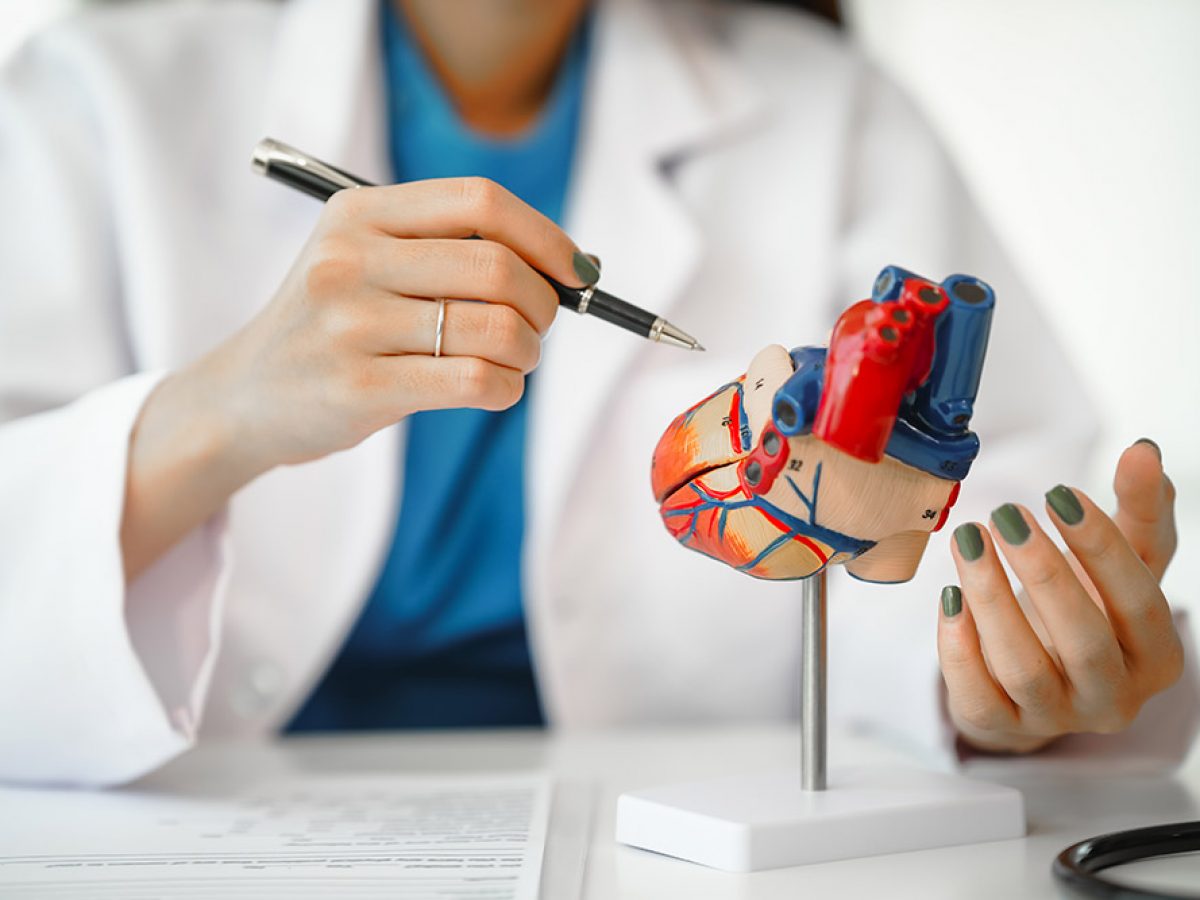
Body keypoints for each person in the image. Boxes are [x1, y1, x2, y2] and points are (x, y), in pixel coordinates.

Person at [0, 0, 1191, 786]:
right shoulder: (95, 97)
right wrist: (223, 410)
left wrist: (1001, 677)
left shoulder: (836, 114)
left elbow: (952, 534)